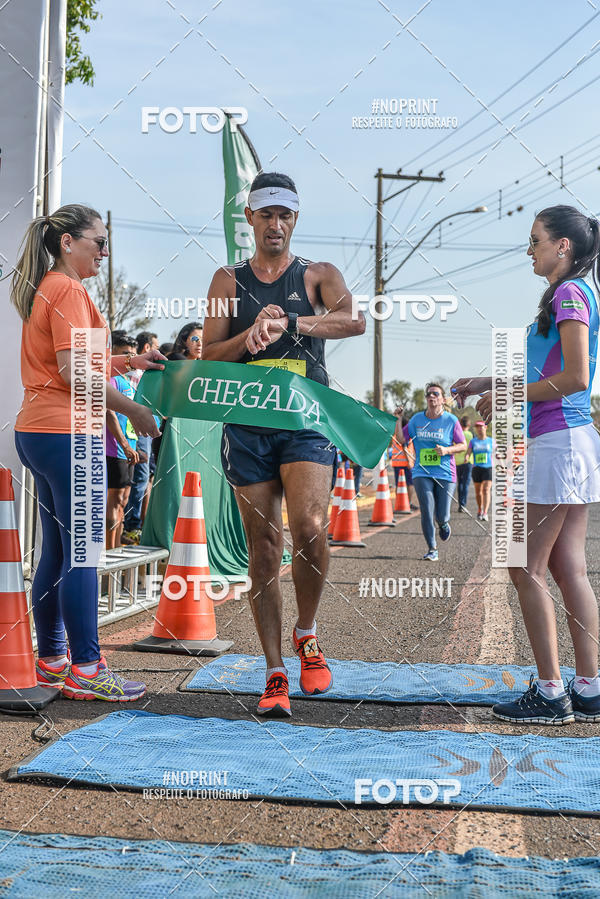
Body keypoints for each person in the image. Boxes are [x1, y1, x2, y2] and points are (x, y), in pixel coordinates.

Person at [202, 171, 365, 717]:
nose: (276, 224)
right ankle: (274, 672)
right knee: (264, 550)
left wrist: (293, 321)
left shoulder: (317, 274)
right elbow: (207, 355)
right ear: (249, 218)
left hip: (303, 420)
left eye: (285, 215)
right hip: (246, 424)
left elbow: (353, 322)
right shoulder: (228, 282)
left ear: (296, 218)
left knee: (310, 527)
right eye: (266, 214)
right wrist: (246, 339)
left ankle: (307, 633)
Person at [452, 205, 600, 725]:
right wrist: (487, 383)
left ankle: (551, 692)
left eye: (536, 239)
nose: (530, 248)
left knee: (524, 565)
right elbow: (552, 370)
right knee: (567, 568)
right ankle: (587, 687)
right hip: (572, 441)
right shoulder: (578, 292)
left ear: (563, 246)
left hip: (558, 442)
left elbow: (577, 376)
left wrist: (510, 392)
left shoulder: (568, 293)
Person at [11, 204, 164, 702]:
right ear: (67, 244)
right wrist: (134, 413)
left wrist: (129, 360)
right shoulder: (68, 289)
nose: (105, 249)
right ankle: (87, 669)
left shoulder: (50, 289)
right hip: (66, 435)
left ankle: (54, 659)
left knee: (58, 551)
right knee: (82, 553)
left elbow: (78, 365)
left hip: (40, 433)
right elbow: (78, 375)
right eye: (98, 241)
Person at [397, 384, 466, 561]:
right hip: (422, 472)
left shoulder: (451, 421)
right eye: (429, 394)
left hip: (445, 473)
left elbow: (463, 445)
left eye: (436, 393)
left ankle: (443, 523)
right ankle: (432, 549)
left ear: (443, 399)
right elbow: (402, 439)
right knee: (427, 510)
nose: (431, 396)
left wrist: (446, 450)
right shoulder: (416, 420)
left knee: (441, 515)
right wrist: (398, 419)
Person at [122, 330, 159, 543]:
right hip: (133, 433)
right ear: (147, 349)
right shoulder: (135, 374)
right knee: (137, 480)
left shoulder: (142, 373)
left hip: (141, 433)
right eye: (156, 346)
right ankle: (131, 527)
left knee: (143, 480)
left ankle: (133, 526)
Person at [106, 332, 140, 549]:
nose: (130, 359)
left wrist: (134, 446)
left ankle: (117, 548)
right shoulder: (110, 378)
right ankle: (109, 553)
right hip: (114, 449)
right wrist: (125, 445)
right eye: (125, 354)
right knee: (114, 502)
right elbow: (108, 413)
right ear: (112, 354)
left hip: (130, 449)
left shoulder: (129, 381)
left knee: (124, 502)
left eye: (133, 355)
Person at [467, 420, 493, 521]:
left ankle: (485, 512)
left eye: (481, 426)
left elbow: (497, 454)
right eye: (477, 427)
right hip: (477, 468)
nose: (479, 428)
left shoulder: (491, 441)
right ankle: (479, 509)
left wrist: (503, 466)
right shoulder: (473, 441)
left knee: (486, 489)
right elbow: (469, 452)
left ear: (485, 427)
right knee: (478, 492)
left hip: (488, 468)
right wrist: (467, 457)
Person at [455, 415, 473, 512]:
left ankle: (460, 504)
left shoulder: (457, 433)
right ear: (469, 425)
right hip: (468, 461)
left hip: (457, 461)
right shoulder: (470, 435)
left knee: (460, 483)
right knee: (466, 483)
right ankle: (463, 504)